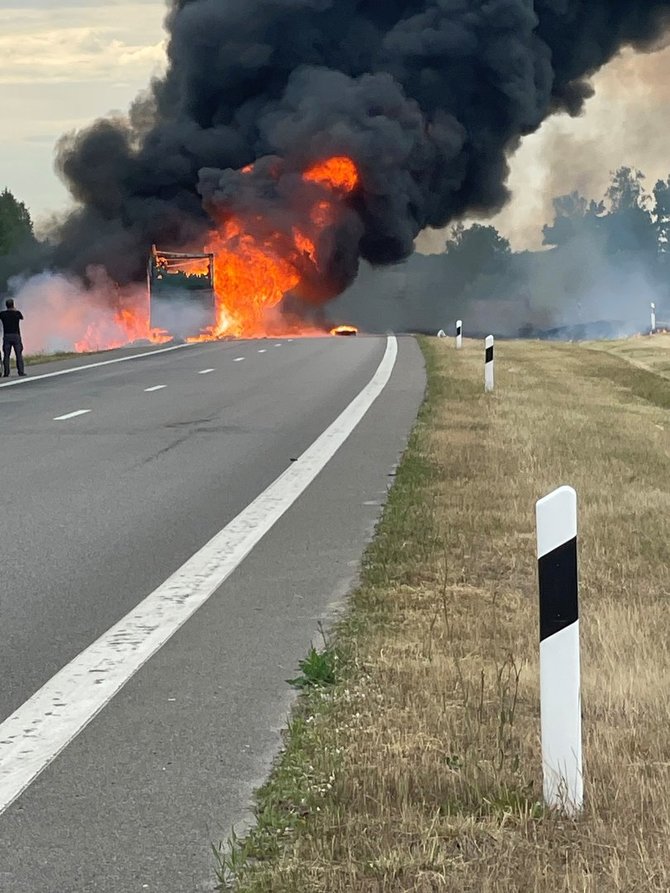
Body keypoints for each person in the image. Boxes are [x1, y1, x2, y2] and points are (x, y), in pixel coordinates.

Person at [0, 298, 26, 377]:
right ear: (13, 304)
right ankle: (21, 372)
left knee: (6, 355)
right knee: (18, 354)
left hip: (7, 336)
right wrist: (14, 310)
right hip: (16, 336)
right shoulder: (17, 313)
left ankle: (6, 372)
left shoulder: (3, 314)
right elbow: (22, 318)